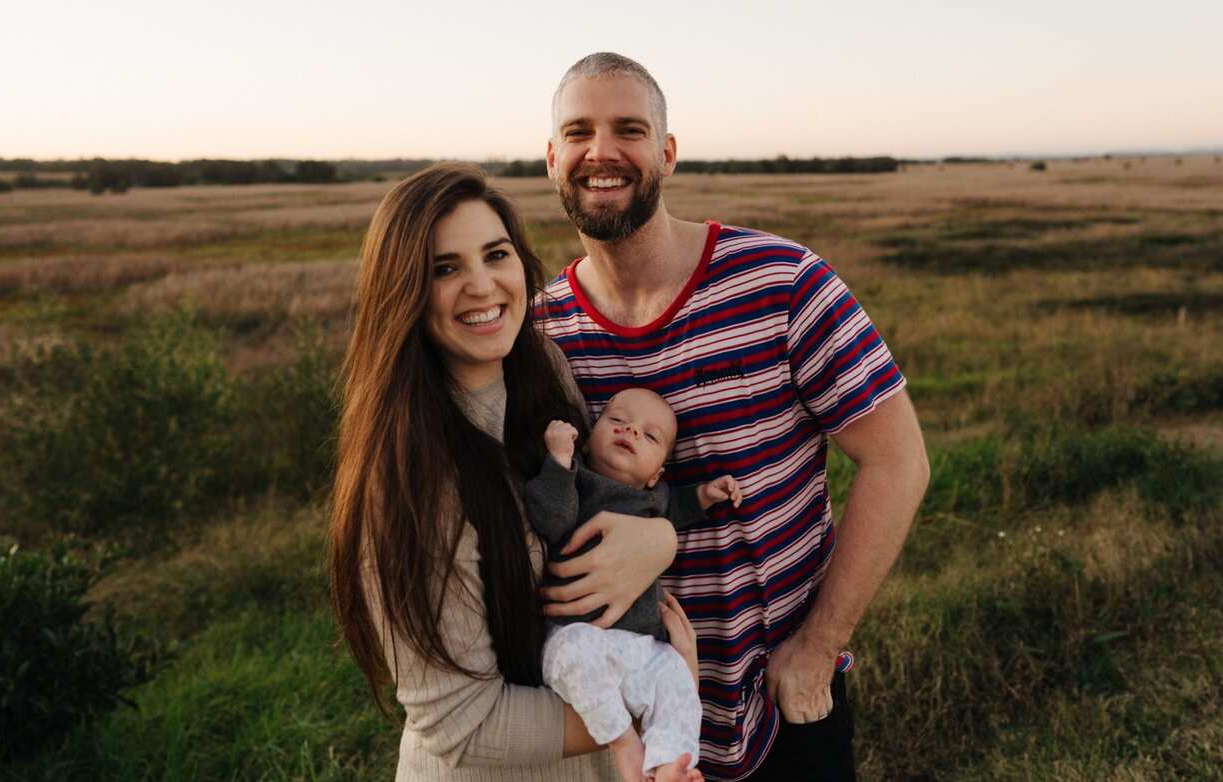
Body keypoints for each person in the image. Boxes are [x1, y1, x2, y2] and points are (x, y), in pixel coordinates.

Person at [534, 54, 931, 781]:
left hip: (783, 700)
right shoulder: (541, 332)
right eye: (579, 132)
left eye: (629, 129)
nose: (603, 152)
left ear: (667, 152)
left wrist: (818, 648)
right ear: (552, 157)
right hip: (618, 724)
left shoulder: (782, 283)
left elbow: (898, 459)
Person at [327, 162, 705, 782]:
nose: (482, 285)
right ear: (403, 294)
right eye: (444, 268)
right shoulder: (409, 487)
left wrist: (659, 537)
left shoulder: (545, 369)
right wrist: (663, 696)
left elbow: (597, 492)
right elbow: (466, 730)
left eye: (495, 254)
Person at [526, 387, 743, 781]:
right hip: (576, 634)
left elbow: (676, 507)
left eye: (650, 435)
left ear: (656, 474)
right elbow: (551, 519)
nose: (631, 431)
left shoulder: (653, 498)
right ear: (588, 438)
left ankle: (671, 765)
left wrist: (705, 496)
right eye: (617, 421)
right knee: (573, 652)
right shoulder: (578, 481)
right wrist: (559, 460)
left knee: (676, 676)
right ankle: (625, 744)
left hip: (640, 645)